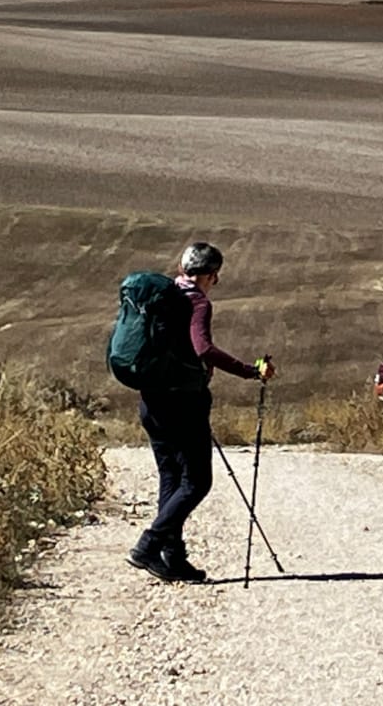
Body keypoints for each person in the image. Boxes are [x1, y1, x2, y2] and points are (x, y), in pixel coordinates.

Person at [127, 241, 275, 584]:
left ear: (182, 269)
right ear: (211, 275)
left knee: (171, 477)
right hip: (183, 404)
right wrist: (250, 371)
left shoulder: (160, 297)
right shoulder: (197, 302)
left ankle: (172, 558)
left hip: (152, 401)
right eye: (215, 277)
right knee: (197, 481)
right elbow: (202, 348)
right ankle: (148, 546)